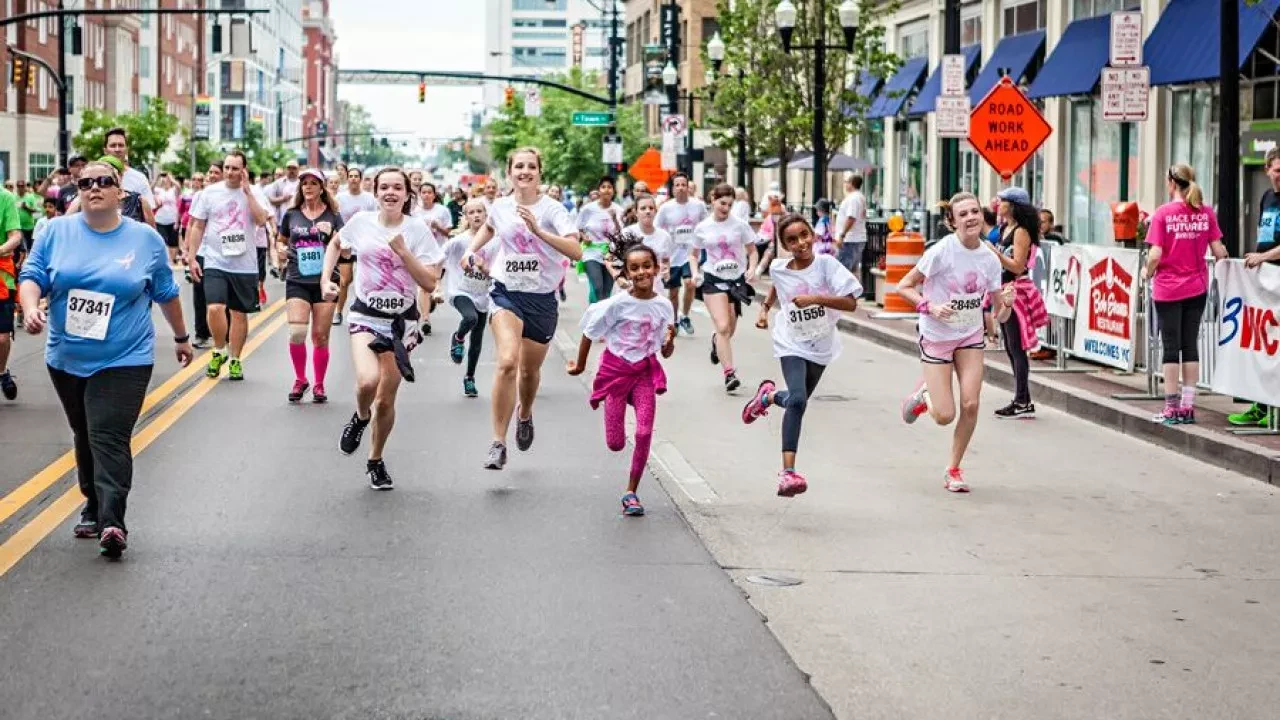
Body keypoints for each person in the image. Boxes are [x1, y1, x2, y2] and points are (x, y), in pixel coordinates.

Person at [17, 159, 193, 558]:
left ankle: (113, 520)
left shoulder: (144, 239)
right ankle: (93, 504)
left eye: (103, 182)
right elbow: (33, 276)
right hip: (66, 356)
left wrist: (182, 337)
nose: (94, 187)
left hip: (125, 356)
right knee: (84, 432)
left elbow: (165, 292)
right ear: (77, 190)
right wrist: (30, 308)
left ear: (120, 193)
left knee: (107, 434)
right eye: (85, 182)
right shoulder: (55, 231)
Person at [319, 167, 443, 490]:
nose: (390, 192)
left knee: (386, 400)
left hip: (400, 324)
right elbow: (335, 244)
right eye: (384, 187)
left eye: (396, 188)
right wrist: (326, 280)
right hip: (365, 315)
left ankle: (375, 460)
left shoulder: (418, 231)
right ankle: (360, 417)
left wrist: (404, 252)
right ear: (375, 193)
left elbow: (430, 282)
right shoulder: (361, 223)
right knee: (367, 381)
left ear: (406, 194)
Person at [462, 147, 581, 470]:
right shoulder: (500, 206)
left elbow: (577, 250)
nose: (525, 171)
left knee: (529, 372)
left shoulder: (553, 210)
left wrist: (539, 232)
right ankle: (497, 443)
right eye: (519, 166)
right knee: (506, 361)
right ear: (510, 172)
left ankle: (524, 413)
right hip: (506, 293)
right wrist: (472, 250)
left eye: (531, 166)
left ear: (540, 172)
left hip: (542, 299)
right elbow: (489, 227)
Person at [896, 192, 1014, 493]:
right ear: (953, 221)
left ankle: (953, 469)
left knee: (972, 404)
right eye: (963, 214)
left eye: (975, 211)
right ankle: (924, 396)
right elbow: (904, 286)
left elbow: (999, 313)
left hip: (969, 336)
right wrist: (930, 307)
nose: (971, 217)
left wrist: (1008, 305)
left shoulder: (989, 258)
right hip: (936, 336)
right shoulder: (941, 252)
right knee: (945, 416)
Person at [741, 214, 862, 497]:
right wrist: (764, 310)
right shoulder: (780, 267)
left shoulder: (827, 266)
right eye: (792, 240)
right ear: (784, 244)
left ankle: (768, 397)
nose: (800, 243)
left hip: (821, 345)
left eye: (804, 235)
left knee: (798, 401)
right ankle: (788, 473)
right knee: (797, 400)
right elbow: (777, 285)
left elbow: (851, 303)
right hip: (790, 341)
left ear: (813, 235)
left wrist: (816, 298)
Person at [567, 235, 676, 516]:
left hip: (643, 373)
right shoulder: (616, 305)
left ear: (656, 268)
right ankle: (616, 412)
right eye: (635, 268)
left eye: (647, 266)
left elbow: (666, 351)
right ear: (626, 273)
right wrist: (579, 366)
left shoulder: (664, 306)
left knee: (643, 432)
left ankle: (631, 493)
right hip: (616, 372)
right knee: (615, 443)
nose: (642, 272)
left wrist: (668, 343)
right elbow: (589, 333)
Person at [1142, 163, 1229, 425]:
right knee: (1190, 345)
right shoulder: (1205, 213)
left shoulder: (1163, 214)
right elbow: (1219, 251)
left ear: (1171, 183)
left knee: (1170, 347)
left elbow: (1155, 254)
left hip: (1168, 289)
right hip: (1197, 287)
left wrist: (1147, 272)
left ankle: (1171, 407)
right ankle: (1188, 407)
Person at [185, 151, 273, 381]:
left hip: (244, 264)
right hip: (215, 260)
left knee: (239, 314)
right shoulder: (209, 193)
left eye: (235, 168)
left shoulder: (254, 193)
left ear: (244, 170)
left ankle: (235, 358)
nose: (230, 172)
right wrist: (192, 257)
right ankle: (218, 349)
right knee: (214, 307)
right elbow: (197, 226)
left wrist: (248, 193)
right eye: (227, 167)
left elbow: (262, 220)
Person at [278, 168, 343, 404]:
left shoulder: (334, 216)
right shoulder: (292, 214)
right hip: (297, 278)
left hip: (326, 282)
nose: (308, 187)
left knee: (320, 336)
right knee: (296, 332)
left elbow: (345, 248)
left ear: (322, 187)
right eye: (304, 183)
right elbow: (281, 240)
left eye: (313, 183)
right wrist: (280, 251)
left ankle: (318, 384)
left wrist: (333, 236)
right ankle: (300, 379)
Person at [690, 183, 759, 393]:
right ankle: (729, 373)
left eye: (729, 204)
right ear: (713, 200)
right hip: (712, 279)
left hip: (735, 281)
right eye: (722, 203)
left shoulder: (740, 225)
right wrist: (695, 273)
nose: (725, 208)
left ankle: (715, 342)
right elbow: (693, 255)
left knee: (729, 330)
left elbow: (752, 251)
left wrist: (752, 268)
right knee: (722, 327)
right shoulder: (702, 227)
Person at [988, 186, 1047, 418]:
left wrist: (996, 254)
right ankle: (1023, 399)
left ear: (1012, 205)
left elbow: (1018, 266)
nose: (997, 204)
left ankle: (1021, 399)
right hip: (1002, 289)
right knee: (1011, 348)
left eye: (1002, 201)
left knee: (1017, 346)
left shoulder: (1021, 232)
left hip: (1016, 291)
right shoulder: (1004, 228)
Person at [1232, 148, 1280, 426]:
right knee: (1263, 345)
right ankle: (1261, 406)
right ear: (1267, 170)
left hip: (1277, 277)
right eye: (1277, 170)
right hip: (1265, 281)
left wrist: (1262, 256)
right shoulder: (1266, 197)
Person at [442, 199, 495, 397]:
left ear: (486, 215)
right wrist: (434, 286)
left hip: (483, 293)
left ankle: (469, 378)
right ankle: (458, 338)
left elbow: (497, 271)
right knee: (470, 318)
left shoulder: (495, 241)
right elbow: (438, 258)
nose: (476, 215)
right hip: (460, 291)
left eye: (479, 211)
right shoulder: (459, 241)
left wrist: (483, 268)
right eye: (471, 212)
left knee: (478, 339)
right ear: (466, 217)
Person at [654, 172, 708, 335]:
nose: (681, 188)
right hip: (672, 254)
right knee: (674, 291)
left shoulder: (698, 205)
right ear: (673, 188)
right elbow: (657, 229)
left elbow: (706, 225)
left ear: (688, 186)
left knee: (690, 283)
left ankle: (684, 315)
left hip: (691, 253)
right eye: (677, 185)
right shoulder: (666, 208)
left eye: (683, 184)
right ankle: (675, 319)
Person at [335, 167, 378, 326]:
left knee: (365, 280)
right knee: (345, 280)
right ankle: (338, 311)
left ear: (360, 179)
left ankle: (363, 310)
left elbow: (375, 220)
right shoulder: (340, 197)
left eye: (356, 176)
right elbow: (335, 218)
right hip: (346, 243)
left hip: (363, 244)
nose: (353, 179)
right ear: (347, 179)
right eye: (351, 176)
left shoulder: (369, 199)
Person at [577, 176, 624, 304]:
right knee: (598, 287)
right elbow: (578, 228)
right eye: (603, 187)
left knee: (607, 291)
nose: (607, 190)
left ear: (613, 191)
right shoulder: (588, 209)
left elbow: (621, 234)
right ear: (599, 190)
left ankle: (601, 317)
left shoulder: (618, 210)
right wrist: (583, 236)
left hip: (611, 253)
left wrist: (614, 219)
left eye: (610, 187)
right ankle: (593, 312)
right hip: (591, 251)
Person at [102, 127, 156, 227]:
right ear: (105, 150)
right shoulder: (94, 177)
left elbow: (149, 216)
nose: (117, 149)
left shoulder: (139, 178)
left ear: (127, 149)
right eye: (113, 145)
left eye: (121, 145)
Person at [0, 184, 23, 400]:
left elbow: (15, 236)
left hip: (1, 276)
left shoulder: (5, 197)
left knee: (2, 338)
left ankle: (2, 372)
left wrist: (1, 249)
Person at [624, 195, 673, 285]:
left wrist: (666, 270)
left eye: (651, 208)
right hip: (631, 287)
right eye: (643, 208)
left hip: (655, 287)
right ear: (636, 212)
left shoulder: (665, 236)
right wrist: (617, 277)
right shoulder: (626, 233)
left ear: (655, 211)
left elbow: (666, 259)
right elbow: (609, 258)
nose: (648, 211)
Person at [836, 174, 868, 274]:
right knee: (851, 272)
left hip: (850, 240)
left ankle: (843, 290)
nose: (845, 185)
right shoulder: (860, 197)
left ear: (851, 184)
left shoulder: (853, 198)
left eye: (846, 182)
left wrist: (842, 235)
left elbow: (851, 218)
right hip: (856, 239)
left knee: (842, 272)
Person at [153, 172, 181, 265]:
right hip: (160, 220)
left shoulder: (173, 190)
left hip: (172, 220)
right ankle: (165, 261)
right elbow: (150, 189)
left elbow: (178, 186)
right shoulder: (158, 190)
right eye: (164, 178)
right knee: (161, 241)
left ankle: (172, 262)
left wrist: (171, 177)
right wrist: (157, 177)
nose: (165, 180)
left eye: (166, 178)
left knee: (173, 243)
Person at [267, 160, 301, 230]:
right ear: (285, 170)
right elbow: (271, 200)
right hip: (281, 221)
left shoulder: (303, 183)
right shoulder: (278, 183)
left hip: (299, 221)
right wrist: (283, 199)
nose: (291, 170)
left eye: (294, 168)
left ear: (298, 170)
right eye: (289, 168)